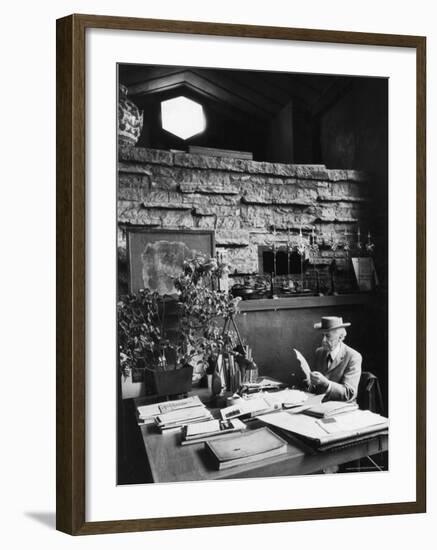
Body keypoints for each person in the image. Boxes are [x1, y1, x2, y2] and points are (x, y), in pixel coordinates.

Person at [301, 316, 362, 402]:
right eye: (323, 335)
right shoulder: (319, 352)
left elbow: (349, 394)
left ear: (340, 337)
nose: (323, 340)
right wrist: (309, 383)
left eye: (328, 336)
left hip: (342, 408)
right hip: (320, 404)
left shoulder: (353, 356)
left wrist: (326, 383)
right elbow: (315, 388)